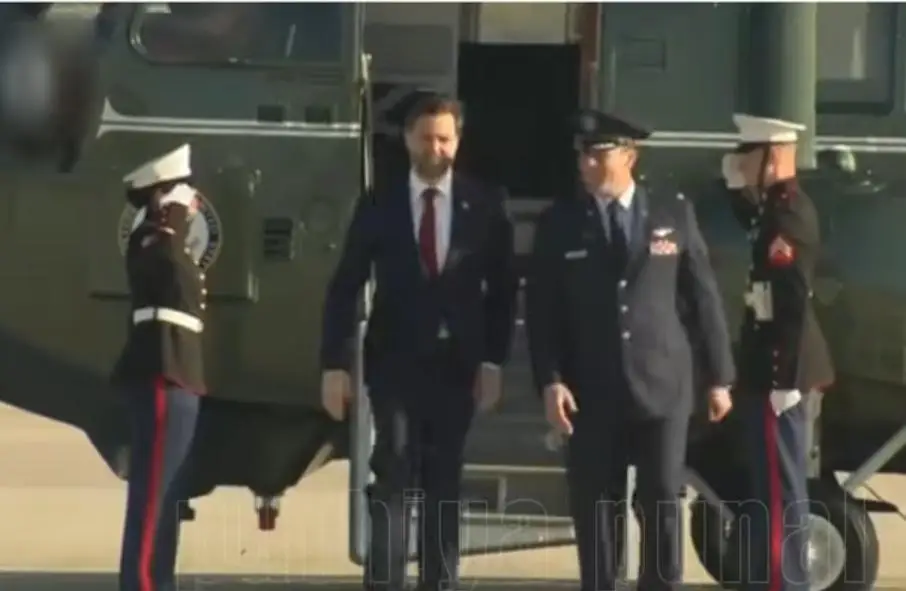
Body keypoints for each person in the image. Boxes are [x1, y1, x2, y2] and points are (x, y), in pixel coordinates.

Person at [526, 110, 736, 591]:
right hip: (591, 388)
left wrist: (720, 377)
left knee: (662, 498)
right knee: (597, 507)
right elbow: (542, 311)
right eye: (582, 155)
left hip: (663, 384)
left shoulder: (671, 212)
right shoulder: (561, 222)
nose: (586, 164)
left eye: (597, 155)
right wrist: (551, 380)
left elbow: (702, 295)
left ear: (629, 156)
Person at [319, 94, 518, 591]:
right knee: (393, 469)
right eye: (427, 138)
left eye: (445, 139)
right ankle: (385, 581)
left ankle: (439, 582)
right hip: (395, 363)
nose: (436, 148)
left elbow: (503, 290)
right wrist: (334, 365)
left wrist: (493, 361)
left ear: (458, 141)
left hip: (457, 365)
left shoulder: (485, 204)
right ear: (408, 139)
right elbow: (345, 286)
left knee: (443, 479)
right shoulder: (380, 203)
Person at [721, 114, 835, 591]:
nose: (742, 162)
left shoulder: (789, 216)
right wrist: (734, 188)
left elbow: (790, 305)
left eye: (749, 155)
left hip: (780, 373)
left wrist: (781, 378)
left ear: (775, 157)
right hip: (768, 369)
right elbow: (754, 227)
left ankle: (787, 584)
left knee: (782, 493)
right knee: (770, 490)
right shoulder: (773, 210)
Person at [112, 144, 207, 591]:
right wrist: (173, 215)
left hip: (180, 373)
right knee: (151, 500)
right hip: (162, 370)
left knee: (167, 495)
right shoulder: (152, 237)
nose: (191, 200)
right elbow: (166, 267)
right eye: (179, 192)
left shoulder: (170, 238)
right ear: (160, 197)